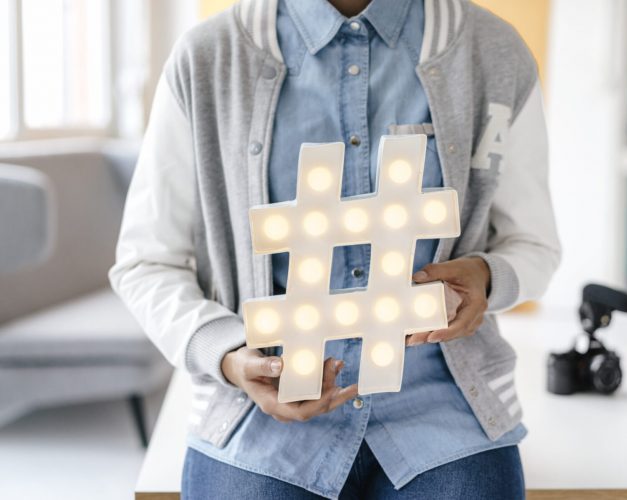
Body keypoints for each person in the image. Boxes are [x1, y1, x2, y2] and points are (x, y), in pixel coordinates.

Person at [109, 0, 560, 498]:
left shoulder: (492, 52)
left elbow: (532, 244)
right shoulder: (208, 57)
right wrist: (230, 354)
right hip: (261, 416)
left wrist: (485, 277)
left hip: (442, 409)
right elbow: (146, 262)